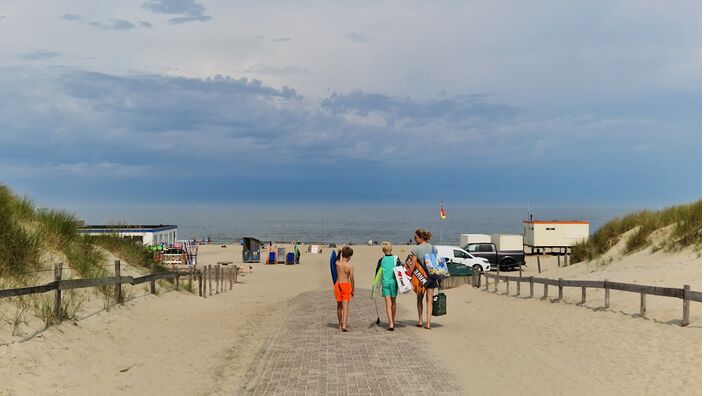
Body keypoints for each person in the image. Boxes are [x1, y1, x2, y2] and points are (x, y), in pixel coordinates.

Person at [408, 228, 437, 329]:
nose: (414, 239)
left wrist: (408, 276)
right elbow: (435, 263)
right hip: (432, 277)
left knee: (419, 299)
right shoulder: (433, 248)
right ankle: (428, 323)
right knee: (429, 300)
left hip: (420, 278)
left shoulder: (416, 249)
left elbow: (412, 265)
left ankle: (420, 321)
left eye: (415, 237)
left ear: (420, 238)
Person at [374, 242, 403, 331]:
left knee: (388, 304)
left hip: (385, 283)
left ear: (383, 250)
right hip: (394, 283)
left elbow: (377, 274)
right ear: (391, 249)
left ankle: (390, 323)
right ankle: (392, 321)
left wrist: (375, 286)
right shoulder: (396, 258)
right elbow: (400, 270)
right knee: (393, 302)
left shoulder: (381, 260)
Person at [334, 246, 355, 332]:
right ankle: (344, 325)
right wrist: (353, 289)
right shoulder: (349, 266)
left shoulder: (337, 263)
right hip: (346, 286)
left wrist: (339, 252)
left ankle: (339, 324)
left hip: (337, 285)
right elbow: (352, 279)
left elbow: (336, 259)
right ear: (349, 257)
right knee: (345, 307)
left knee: (339, 306)